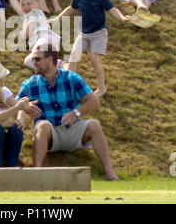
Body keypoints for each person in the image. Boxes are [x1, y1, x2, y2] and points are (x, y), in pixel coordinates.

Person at [16, 44, 119, 181]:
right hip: (50, 135)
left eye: (37, 59)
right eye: (33, 59)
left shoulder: (71, 78)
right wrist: (21, 117)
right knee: (42, 126)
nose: (33, 63)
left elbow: (94, 102)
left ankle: (109, 171)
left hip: (73, 131)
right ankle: (37, 171)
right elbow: (18, 105)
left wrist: (76, 112)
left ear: (50, 59)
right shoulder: (30, 84)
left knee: (94, 124)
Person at [50, 0, 130, 97]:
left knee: (94, 59)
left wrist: (122, 17)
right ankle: (69, 87)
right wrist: (57, 19)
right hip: (84, 33)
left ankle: (101, 88)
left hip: (99, 33)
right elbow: (70, 8)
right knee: (73, 56)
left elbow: (112, 9)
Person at [19, 0, 65, 70]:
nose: (25, 7)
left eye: (29, 4)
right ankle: (55, 65)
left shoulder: (33, 14)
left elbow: (27, 34)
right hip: (51, 39)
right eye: (23, 5)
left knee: (29, 61)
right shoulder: (38, 13)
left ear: (38, 4)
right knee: (41, 59)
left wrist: (22, 34)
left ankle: (60, 64)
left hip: (43, 39)